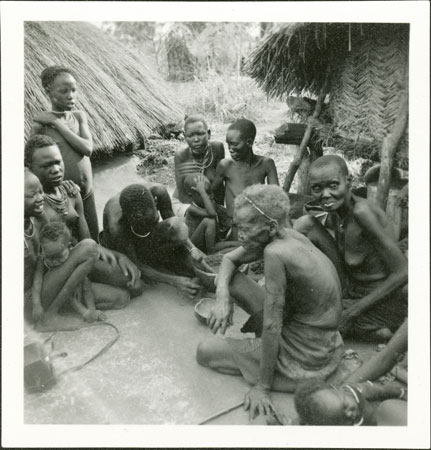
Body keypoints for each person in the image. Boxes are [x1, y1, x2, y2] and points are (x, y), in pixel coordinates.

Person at [196, 185, 344, 421]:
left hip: (307, 355)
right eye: (237, 227)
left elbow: (272, 326)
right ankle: (286, 371)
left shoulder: (275, 253)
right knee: (231, 279)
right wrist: (222, 296)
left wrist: (262, 388)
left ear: (271, 227)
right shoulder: (290, 234)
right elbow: (229, 258)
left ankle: (289, 379)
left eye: (244, 229)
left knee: (205, 352)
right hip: (327, 343)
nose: (239, 236)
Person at [24, 135, 143, 320]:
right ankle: (70, 302)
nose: (55, 170)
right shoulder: (34, 206)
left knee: (133, 285)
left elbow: (89, 240)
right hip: (56, 271)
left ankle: (79, 297)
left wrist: (120, 256)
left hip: (80, 257)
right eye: (46, 166)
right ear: (31, 169)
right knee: (121, 298)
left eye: (58, 162)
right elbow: (42, 260)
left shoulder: (70, 193)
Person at [294, 155, 408, 342]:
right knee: (306, 223)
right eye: (317, 188)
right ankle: (372, 330)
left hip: (382, 299)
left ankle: (376, 326)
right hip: (352, 290)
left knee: (309, 321)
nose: (325, 195)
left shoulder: (362, 213)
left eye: (333, 185)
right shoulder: (336, 213)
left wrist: (350, 314)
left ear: (349, 182)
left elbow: (403, 272)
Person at [102, 182, 213, 299]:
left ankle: (169, 265)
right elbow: (135, 264)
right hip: (124, 249)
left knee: (177, 232)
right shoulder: (116, 226)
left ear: (155, 202)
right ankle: (161, 268)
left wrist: (193, 249)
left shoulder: (158, 192)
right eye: (147, 223)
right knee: (135, 284)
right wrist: (174, 281)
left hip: (146, 242)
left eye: (155, 219)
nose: (153, 224)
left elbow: (175, 228)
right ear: (132, 218)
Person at [29, 66, 99, 241]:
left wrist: (57, 123)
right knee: (70, 240)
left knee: (94, 236)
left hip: (87, 191)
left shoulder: (79, 116)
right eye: (64, 91)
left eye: (74, 90)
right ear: (48, 91)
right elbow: (31, 163)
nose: (71, 95)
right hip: (65, 197)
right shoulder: (40, 125)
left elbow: (87, 148)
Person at [211, 118, 279, 238]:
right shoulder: (226, 166)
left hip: (260, 221)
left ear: (249, 142)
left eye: (235, 144)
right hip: (237, 225)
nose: (230, 149)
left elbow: (276, 196)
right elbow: (211, 192)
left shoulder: (266, 164)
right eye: (228, 144)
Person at [31, 221, 107, 324]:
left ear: (68, 247)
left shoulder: (72, 255)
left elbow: (84, 281)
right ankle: (85, 313)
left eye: (59, 256)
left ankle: (91, 310)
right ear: (42, 250)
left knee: (86, 283)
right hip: (54, 293)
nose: (55, 261)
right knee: (72, 295)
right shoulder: (41, 261)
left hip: (72, 291)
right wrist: (36, 304)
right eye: (49, 257)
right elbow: (37, 283)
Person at [294, 378, 407, 426]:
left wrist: (400, 392)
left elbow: (379, 390)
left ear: (338, 390)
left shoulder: (354, 391)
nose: (349, 414)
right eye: (339, 418)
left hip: (383, 417)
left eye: (345, 405)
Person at [172, 115, 225, 218]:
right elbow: (183, 196)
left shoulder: (217, 148)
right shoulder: (181, 156)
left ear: (208, 134)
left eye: (200, 134)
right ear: (185, 136)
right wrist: (205, 211)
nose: (196, 139)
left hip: (210, 202)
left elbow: (220, 186)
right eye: (190, 136)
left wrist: (216, 208)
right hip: (188, 204)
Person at [183, 173, 218, 254]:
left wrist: (203, 192)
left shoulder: (210, 203)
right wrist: (203, 192)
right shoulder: (192, 209)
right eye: (202, 194)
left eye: (209, 192)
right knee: (209, 221)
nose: (208, 197)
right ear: (191, 196)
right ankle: (211, 254)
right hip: (194, 244)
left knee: (234, 244)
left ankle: (212, 251)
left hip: (208, 244)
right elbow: (212, 214)